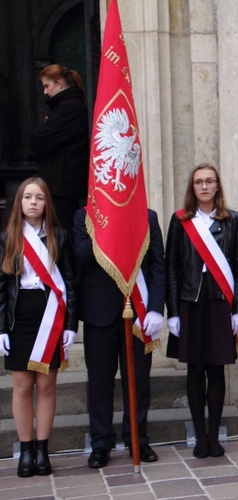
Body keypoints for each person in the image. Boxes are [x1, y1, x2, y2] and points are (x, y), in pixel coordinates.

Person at [165, 163, 238, 458]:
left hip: (219, 304)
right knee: (195, 368)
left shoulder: (232, 220)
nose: (204, 186)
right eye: (198, 181)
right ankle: (200, 437)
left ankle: (214, 436)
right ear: (193, 187)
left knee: (216, 368)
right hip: (190, 303)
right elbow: (171, 268)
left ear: (217, 186)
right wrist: (172, 312)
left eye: (209, 181)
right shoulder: (180, 221)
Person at [74, 207, 165, 468]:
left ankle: (138, 438)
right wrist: (105, 231)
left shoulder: (146, 216)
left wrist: (157, 307)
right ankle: (101, 443)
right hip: (98, 311)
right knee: (100, 384)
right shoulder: (85, 216)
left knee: (138, 381)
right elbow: (80, 256)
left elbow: (157, 263)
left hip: (138, 311)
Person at [0, 177, 77, 477]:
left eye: (39, 198)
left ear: (47, 203)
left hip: (51, 317)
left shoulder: (60, 236)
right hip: (19, 320)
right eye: (28, 197)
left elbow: (69, 282)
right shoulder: (7, 239)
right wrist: (2, 328)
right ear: (19, 202)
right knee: (22, 387)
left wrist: (71, 324)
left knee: (46, 386)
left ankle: (43, 450)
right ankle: (25, 451)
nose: (33, 202)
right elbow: (2, 287)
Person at [29, 64, 89, 235]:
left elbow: (38, 139)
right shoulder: (67, 106)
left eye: (47, 86)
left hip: (62, 184)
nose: (45, 92)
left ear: (60, 83)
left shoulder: (69, 108)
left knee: (61, 232)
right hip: (61, 183)